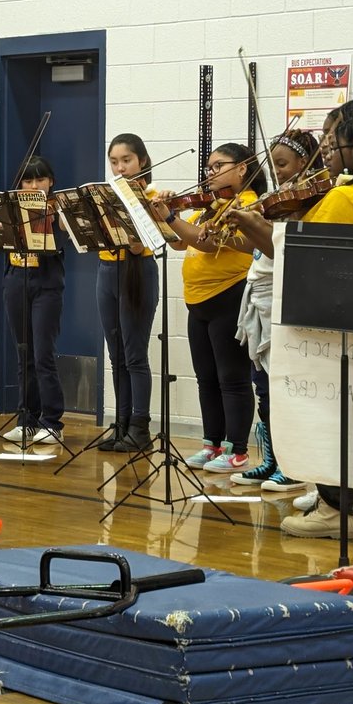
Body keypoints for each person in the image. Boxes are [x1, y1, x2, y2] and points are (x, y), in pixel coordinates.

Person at [230, 105, 353, 539]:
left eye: (334, 141)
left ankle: (332, 510)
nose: (327, 148)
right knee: (342, 418)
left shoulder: (343, 197)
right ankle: (341, 503)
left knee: (327, 416)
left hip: (327, 318)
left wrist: (252, 226)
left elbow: (302, 259)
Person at [155, 144, 265, 473]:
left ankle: (237, 450)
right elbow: (179, 240)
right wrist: (159, 213)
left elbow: (205, 241)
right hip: (198, 300)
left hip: (228, 295)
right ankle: (211, 444)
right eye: (208, 167)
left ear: (243, 168)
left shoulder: (247, 206)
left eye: (218, 166)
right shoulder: (212, 205)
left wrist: (171, 215)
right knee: (206, 378)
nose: (211, 173)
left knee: (232, 378)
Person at [225, 129, 323, 492]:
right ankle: (271, 460)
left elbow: (282, 248)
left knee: (284, 386)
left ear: (303, 163)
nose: (278, 172)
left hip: (286, 297)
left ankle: (294, 465)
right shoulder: (275, 200)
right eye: (275, 164)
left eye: (283, 164)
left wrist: (260, 223)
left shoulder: (311, 202)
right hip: (260, 296)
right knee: (262, 385)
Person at [96, 134, 160, 453]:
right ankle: (120, 427)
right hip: (107, 270)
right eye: (114, 162)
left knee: (135, 355)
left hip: (139, 272)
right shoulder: (106, 196)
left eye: (126, 161)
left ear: (142, 161)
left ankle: (140, 428)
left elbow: (146, 243)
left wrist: (135, 238)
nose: (119, 167)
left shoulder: (151, 196)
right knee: (116, 355)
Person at [2, 157, 67, 444]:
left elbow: (70, 233)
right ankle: (26, 419)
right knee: (23, 353)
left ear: (50, 181)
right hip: (16, 280)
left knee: (43, 355)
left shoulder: (57, 208)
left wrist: (57, 216)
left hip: (47, 285)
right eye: (27, 181)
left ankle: (51, 421)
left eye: (40, 179)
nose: (34, 185)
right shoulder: (12, 209)